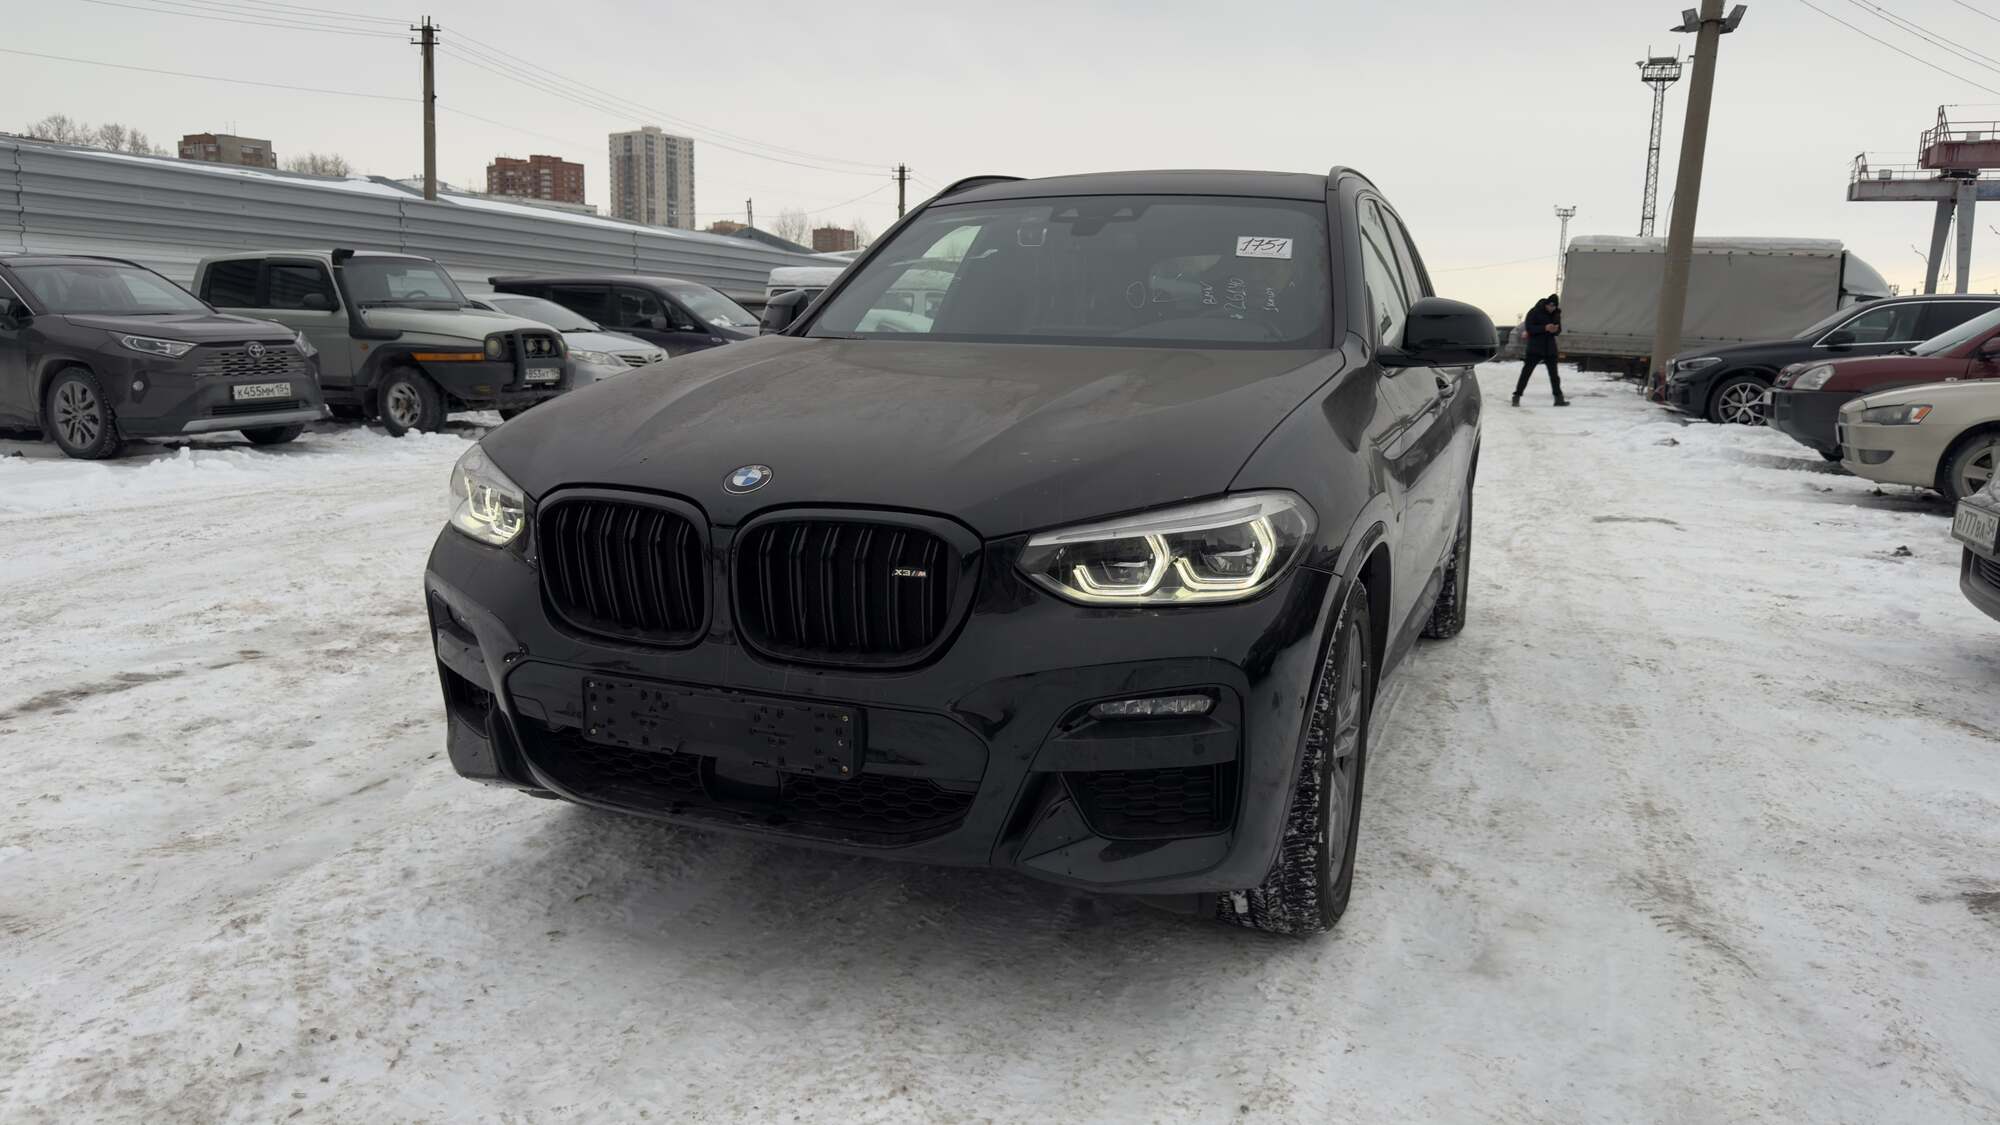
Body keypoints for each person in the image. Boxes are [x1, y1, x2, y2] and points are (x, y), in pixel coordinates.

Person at [1515, 294, 1568, 407]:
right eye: (1550, 305)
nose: (1552, 308)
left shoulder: (1556, 313)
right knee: (1526, 373)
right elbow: (1529, 328)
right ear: (1546, 304)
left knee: (1554, 376)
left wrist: (1555, 330)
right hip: (1535, 348)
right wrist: (1544, 328)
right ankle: (1517, 396)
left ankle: (1559, 399)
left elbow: (1559, 330)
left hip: (1550, 348)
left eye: (1554, 306)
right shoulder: (1534, 311)